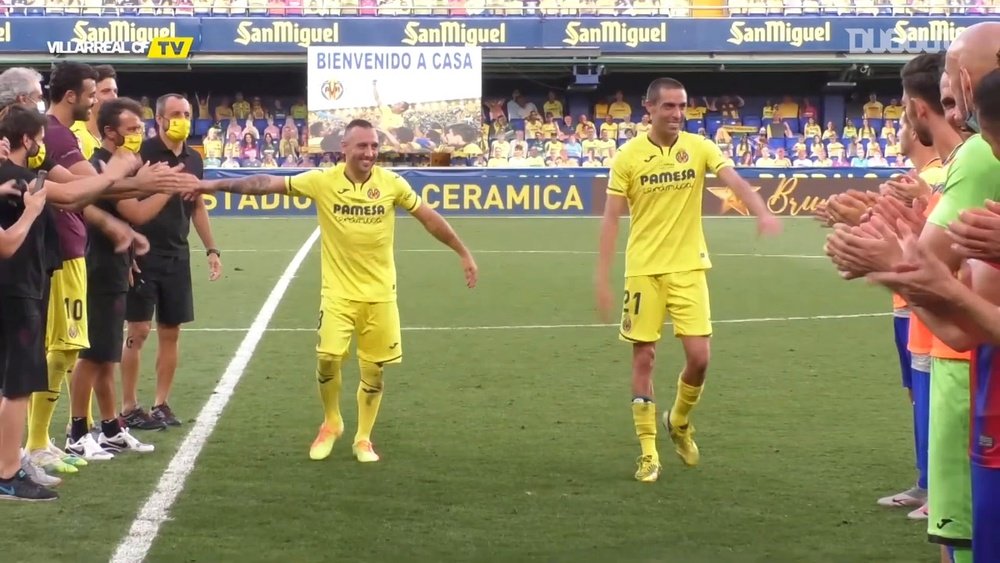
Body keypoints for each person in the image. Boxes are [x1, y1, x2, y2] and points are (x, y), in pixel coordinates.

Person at [195, 118, 478, 463]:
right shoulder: (322, 181)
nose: (370, 153)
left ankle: (363, 438)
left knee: (374, 369)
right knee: (328, 359)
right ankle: (331, 423)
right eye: (362, 146)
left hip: (380, 294)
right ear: (344, 148)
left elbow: (428, 217)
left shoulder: (392, 183)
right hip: (338, 293)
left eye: (374, 146)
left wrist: (462, 251)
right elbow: (265, 183)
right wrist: (213, 185)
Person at [594, 77, 781, 483]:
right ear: (650, 109)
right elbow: (610, 217)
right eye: (669, 107)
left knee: (700, 357)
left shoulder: (699, 147)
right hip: (643, 269)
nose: (678, 114)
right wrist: (603, 277)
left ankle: (678, 421)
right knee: (644, 357)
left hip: (689, 267)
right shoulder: (627, 156)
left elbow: (733, 181)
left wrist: (761, 210)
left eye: (682, 107)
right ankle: (648, 453)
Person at [71, 97, 168, 457]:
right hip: (98, 264)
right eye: (131, 129)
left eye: (140, 129)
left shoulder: (120, 165)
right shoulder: (100, 166)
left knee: (106, 353)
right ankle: (78, 431)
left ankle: (111, 427)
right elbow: (136, 213)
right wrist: (165, 186)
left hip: (115, 263)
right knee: (93, 353)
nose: (137, 135)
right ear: (109, 132)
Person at [120, 93, 220, 431]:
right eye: (175, 113)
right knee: (137, 330)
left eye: (187, 113)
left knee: (170, 331)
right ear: (159, 119)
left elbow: (198, 207)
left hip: (178, 254)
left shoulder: (194, 158)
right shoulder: (141, 155)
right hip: (143, 255)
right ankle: (129, 405)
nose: (182, 119)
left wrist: (211, 249)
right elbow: (122, 201)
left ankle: (161, 403)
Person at [0, 106, 55, 500]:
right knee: (18, 385)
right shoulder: (18, 178)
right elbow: (6, 244)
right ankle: (7, 472)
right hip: (16, 288)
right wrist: (32, 210)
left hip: (16, 288)